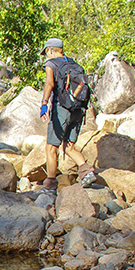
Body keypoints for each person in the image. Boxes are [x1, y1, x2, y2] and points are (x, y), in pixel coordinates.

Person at [39, 38, 96, 192]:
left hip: (62, 108)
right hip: (78, 109)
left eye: (46, 52)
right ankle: (87, 172)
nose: (46, 56)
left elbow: (50, 84)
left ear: (50, 50)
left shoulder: (51, 64)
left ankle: (50, 184)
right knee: (69, 146)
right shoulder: (75, 65)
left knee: (52, 147)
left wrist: (44, 103)